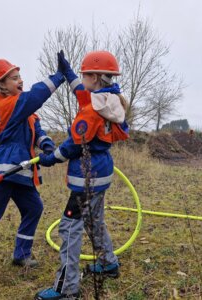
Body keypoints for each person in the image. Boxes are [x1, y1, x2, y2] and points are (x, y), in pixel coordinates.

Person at [0, 54, 67, 293]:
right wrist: (59, 77)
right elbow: (35, 97)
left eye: (20, 76)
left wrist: (46, 144)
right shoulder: (6, 104)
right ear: (1, 86)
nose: (20, 80)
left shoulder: (22, 108)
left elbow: (36, 127)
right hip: (3, 170)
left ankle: (21, 255)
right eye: (14, 78)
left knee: (34, 208)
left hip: (22, 171)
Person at [35, 50, 129, 300]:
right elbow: (83, 92)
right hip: (102, 172)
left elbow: (73, 146)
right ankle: (108, 263)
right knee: (94, 220)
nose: (83, 78)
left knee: (68, 229)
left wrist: (51, 158)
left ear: (96, 77)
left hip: (86, 179)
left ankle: (66, 289)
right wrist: (69, 73)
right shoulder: (109, 100)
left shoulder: (91, 111)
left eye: (86, 74)